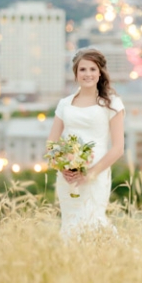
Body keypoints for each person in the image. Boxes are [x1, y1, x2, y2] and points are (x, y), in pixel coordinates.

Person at [46, 48, 125, 239]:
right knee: (70, 222)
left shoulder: (111, 104)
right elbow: (52, 143)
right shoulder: (65, 104)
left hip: (96, 175)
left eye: (92, 69)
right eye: (82, 69)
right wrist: (62, 166)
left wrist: (90, 174)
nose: (87, 74)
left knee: (93, 221)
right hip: (68, 177)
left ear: (100, 73)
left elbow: (118, 148)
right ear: (75, 73)